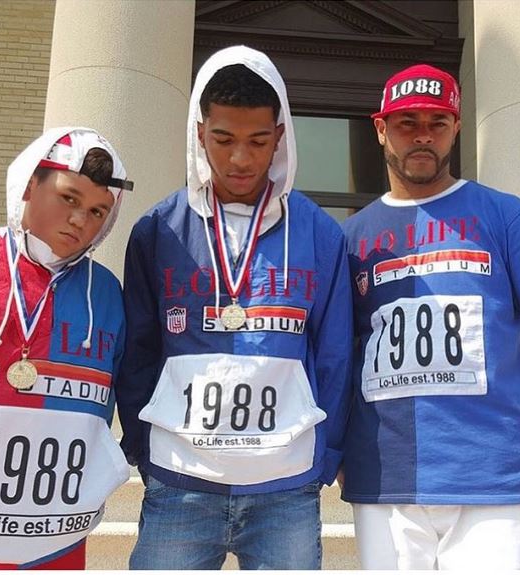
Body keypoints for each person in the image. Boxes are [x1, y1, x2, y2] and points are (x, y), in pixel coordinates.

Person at [116, 45, 353, 570]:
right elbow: (138, 350)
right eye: (223, 139)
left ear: (280, 137)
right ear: (200, 133)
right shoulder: (158, 230)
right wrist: (143, 447)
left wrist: (325, 456)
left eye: (258, 141)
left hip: (285, 487)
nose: (240, 159)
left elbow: (335, 355)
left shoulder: (320, 233)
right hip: (179, 480)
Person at [340, 64, 520, 569]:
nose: (423, 135)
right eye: (407, 122)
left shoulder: (508, 216)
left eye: (438, 122)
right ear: (380, 128)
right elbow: (336, 353)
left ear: (456, 128)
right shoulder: (349, 239)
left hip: (496, 474)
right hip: (386, 475)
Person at [0, 127, 134, 569]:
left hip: (53, 543)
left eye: (97, 211)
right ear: (28, 185)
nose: (80, 220)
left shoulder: (108, 294)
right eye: (68, 198)